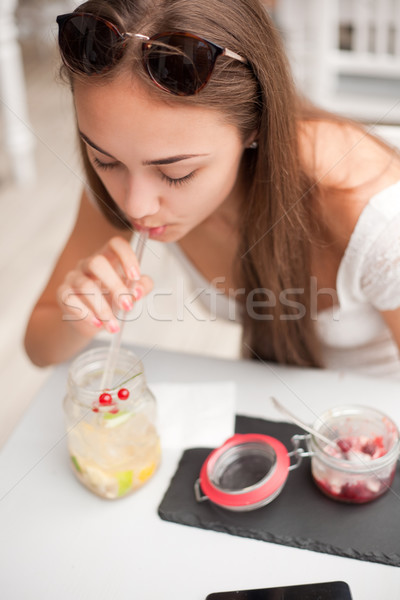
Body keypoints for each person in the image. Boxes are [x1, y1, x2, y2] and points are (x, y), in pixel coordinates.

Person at [24, 0, 400, 377]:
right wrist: (76, 318)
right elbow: (39, 347)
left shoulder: (375, 216)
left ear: (255, 126)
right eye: (104, 160)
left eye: (177, 173)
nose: (135, 206)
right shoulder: (127, 180)